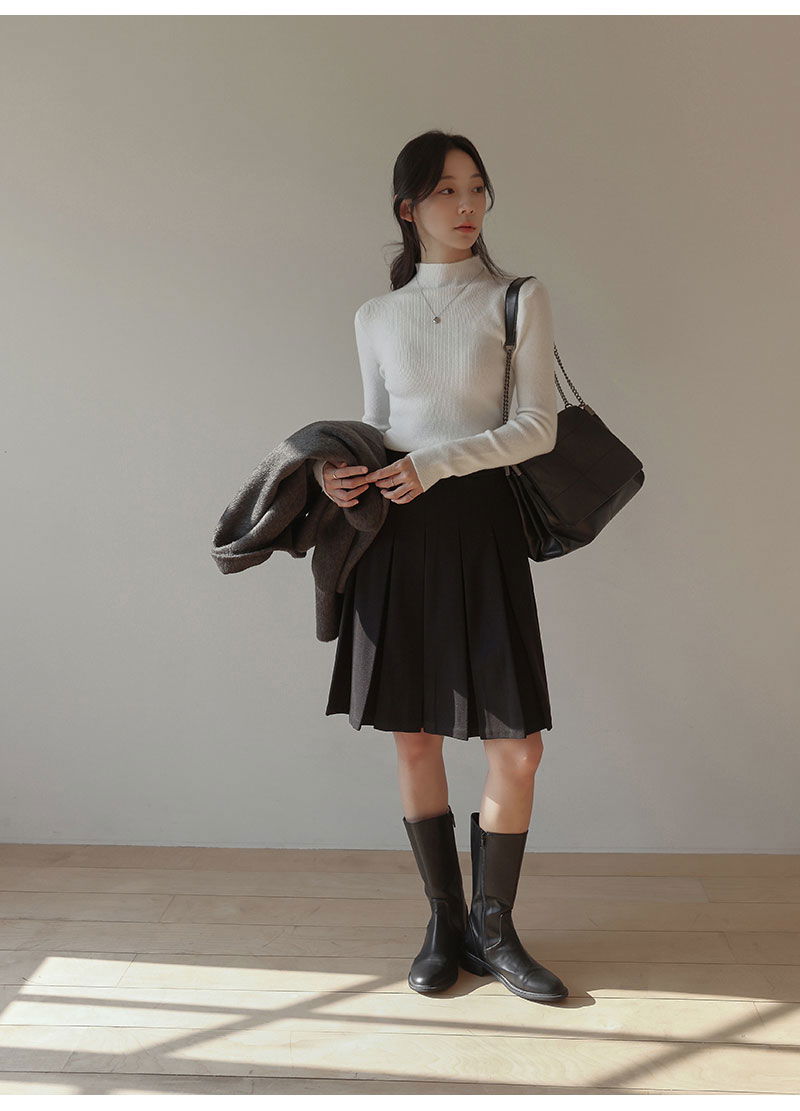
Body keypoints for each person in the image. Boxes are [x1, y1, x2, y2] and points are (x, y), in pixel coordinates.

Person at [314, 130, 569, 1005]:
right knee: (414, 734)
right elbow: (377, 425)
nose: (467, 206)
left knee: (518, 746)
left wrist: (440, 462)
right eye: (446, 191)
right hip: (395, 532)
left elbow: (539, 426)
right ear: (408, 208)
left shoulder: (517, 297)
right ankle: (444, 921)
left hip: (480, 526)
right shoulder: (374, 316)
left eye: (478, 188)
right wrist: (338, 474)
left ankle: (495, 929)